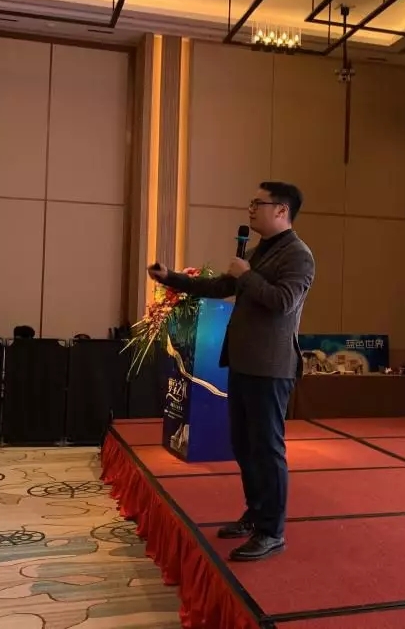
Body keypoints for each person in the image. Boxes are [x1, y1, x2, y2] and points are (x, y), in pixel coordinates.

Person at [148, 181, 314, 561]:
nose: (251, 208)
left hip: (270, 367)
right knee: (243, 444)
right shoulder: (256, 252)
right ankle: (255, 514)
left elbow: (283, 302)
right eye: (251, 202)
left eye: (259, 203)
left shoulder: (299, 256)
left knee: (267, 448)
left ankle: (272, 531)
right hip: (242, 362)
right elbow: (219, 285)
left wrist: (246, 276)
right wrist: (171, 277)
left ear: (282, 210)